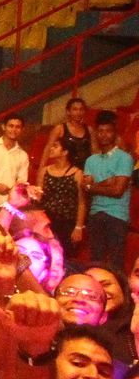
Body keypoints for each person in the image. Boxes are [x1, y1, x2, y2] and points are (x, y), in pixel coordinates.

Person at [83, 112, 132, 270]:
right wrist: (107, 182)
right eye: (100, 131)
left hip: (117, 215)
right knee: (95, 260)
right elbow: (85, 187)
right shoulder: (91, 160)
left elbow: (118, 190)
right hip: (95, 213)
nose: (104, 135)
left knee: (115, 262)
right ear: (96, 133)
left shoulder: (124, 158)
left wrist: (93, 186)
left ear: (114, 133)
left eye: (108, 131)